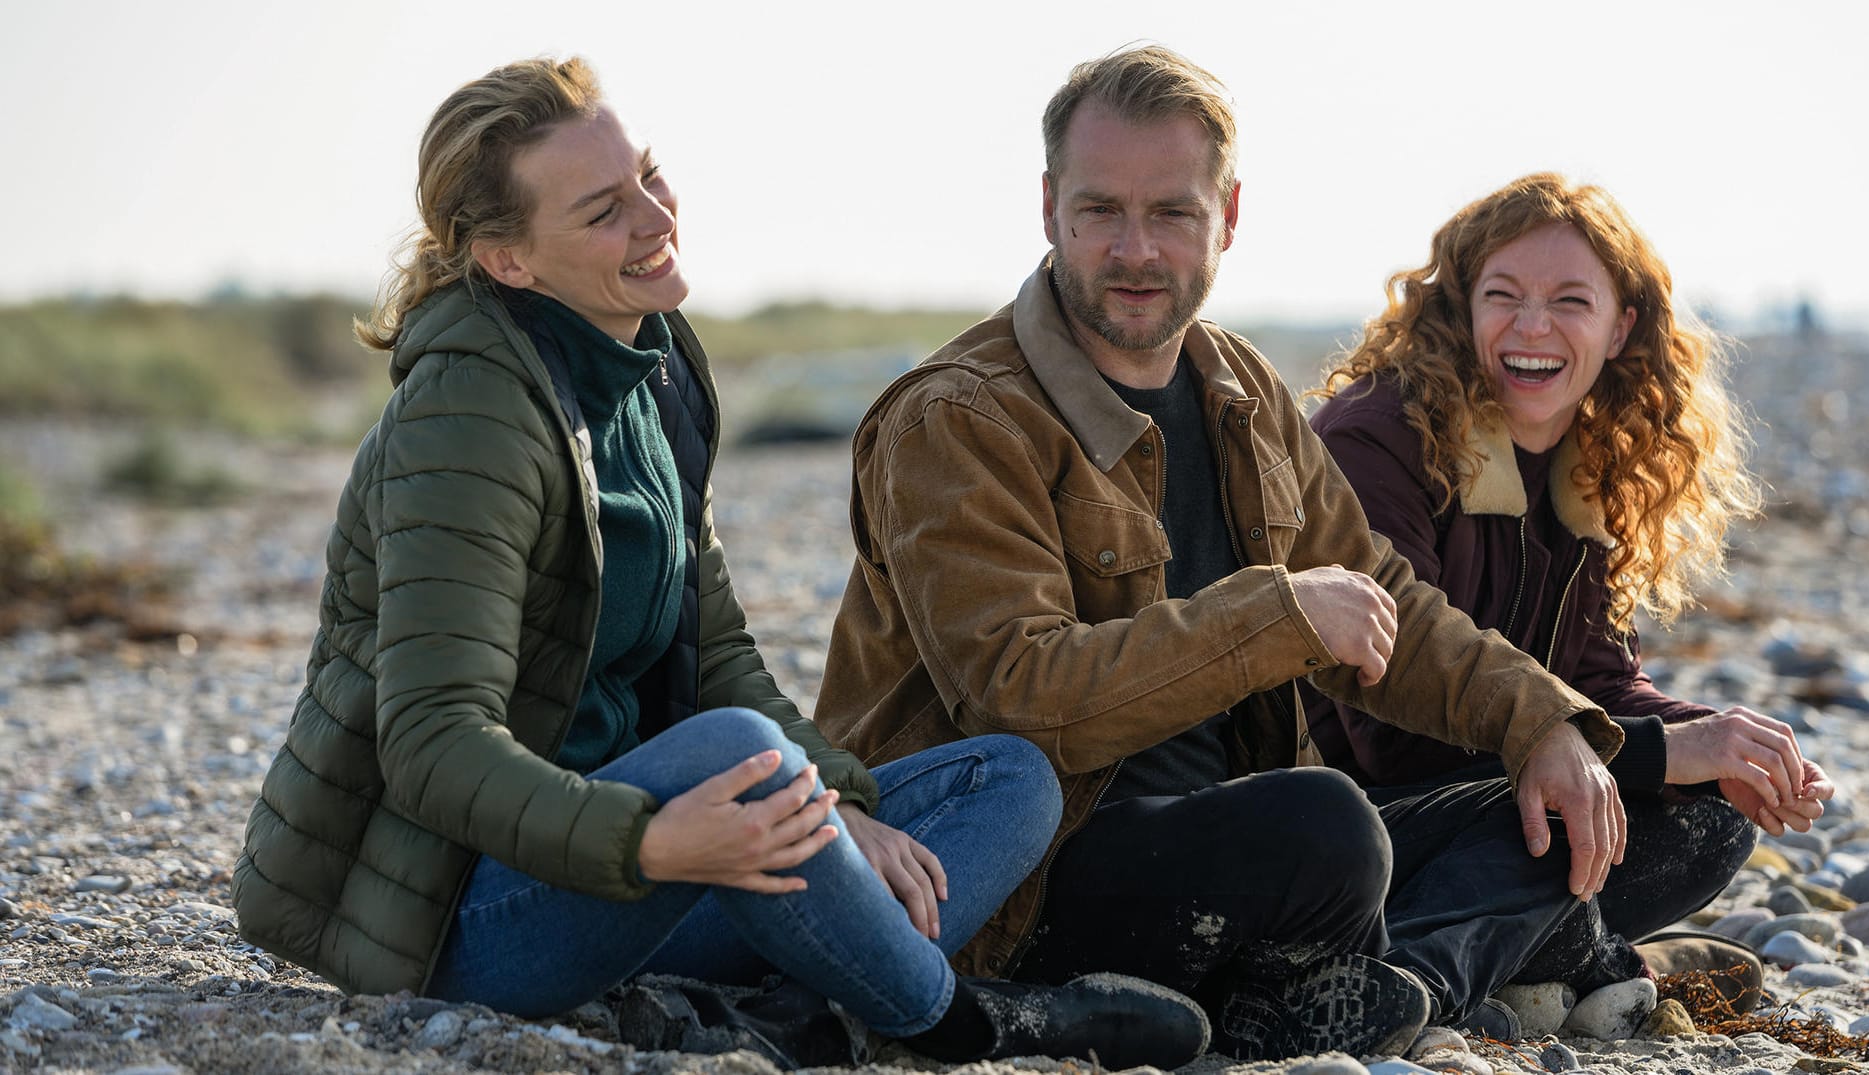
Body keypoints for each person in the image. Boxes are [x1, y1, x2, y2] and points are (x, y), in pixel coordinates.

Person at [229, 56, 1210, 1070]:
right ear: (510, 260)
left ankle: (793, 1017)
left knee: (1009, 776)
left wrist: (838, 805)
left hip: (655, 868)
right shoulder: (466, 417)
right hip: (469, 913)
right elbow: (433, 747)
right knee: (734, 752)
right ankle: (960, 1020)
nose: (656, 217)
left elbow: (720, 651)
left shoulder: (648, 364)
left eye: (649, 176)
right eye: (606, 210)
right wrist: (648, 843)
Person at [816, 45, 1642, 1061]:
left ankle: (1361, 984)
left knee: (1584, 810)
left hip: (1215, 830)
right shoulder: (960, 417)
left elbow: (1381, 596)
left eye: (1172, 213)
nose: (1135, 250)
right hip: (1026, 877)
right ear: (1047, 209)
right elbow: (1018, 693)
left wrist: (1541, 722)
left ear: (1230, 217)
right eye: (1099, 211)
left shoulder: (1236, 384)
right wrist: (1273, 617)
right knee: (1328, 830)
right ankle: (1380, 972)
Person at [1303, 172, 1835, 1009]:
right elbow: (1388, 731)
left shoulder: (1587, 463)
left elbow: (1600, 680)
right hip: (1343, 820)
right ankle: (1414, 981)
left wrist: (1722, 743)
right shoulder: (1377, 436)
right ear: (1460, 308)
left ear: (1621, 326)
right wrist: (1655, 752)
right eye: (1502, 295)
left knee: (1712, 815)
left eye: (1569, 301)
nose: (1531, 326)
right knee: (1565, 809)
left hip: (1492, 795)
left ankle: (1543, 942)